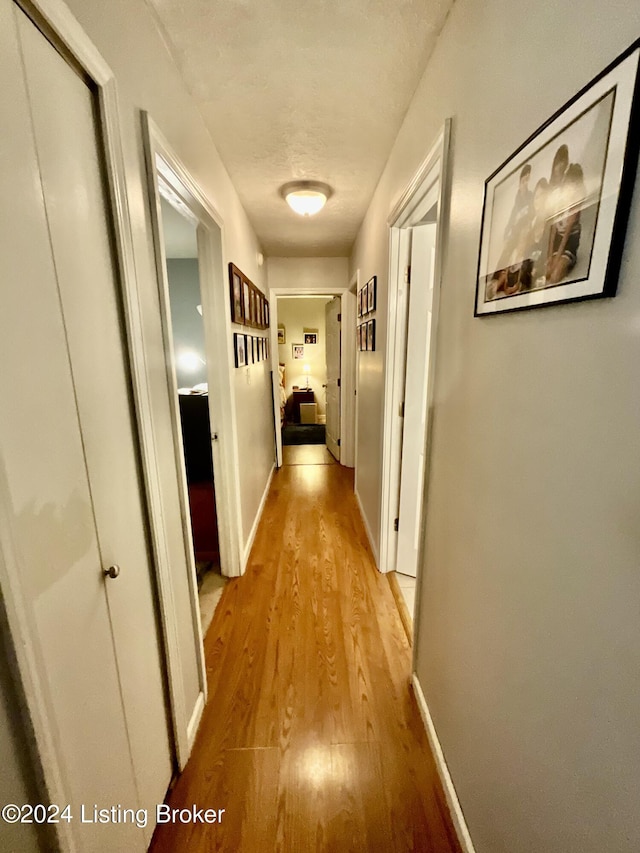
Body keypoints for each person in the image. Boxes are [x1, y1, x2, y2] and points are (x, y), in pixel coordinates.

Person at [546, 163, 586, 284]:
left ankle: (568, 262)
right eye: (570, 183)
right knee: (547, 272)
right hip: (559, 237)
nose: (571, 187)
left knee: (555, 277)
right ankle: (559, 263)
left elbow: (568, 232)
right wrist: (550, 256)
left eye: (574, 184)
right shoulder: (558, 199)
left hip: (570, 240)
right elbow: (553, 230)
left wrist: (558, 258)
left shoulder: (576, 204)